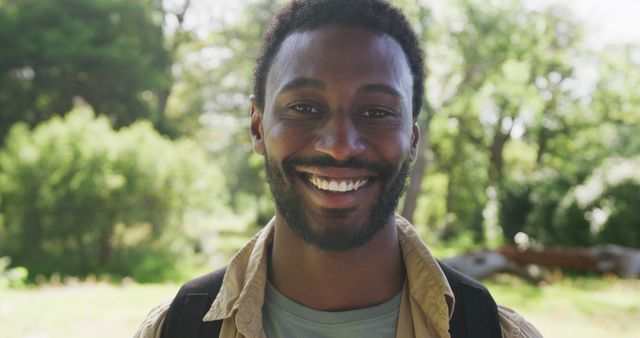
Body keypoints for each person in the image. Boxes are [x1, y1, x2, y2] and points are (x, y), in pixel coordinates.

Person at [135, 0, 543, 337]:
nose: (340, 147)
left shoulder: (495, 332)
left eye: (376, 111)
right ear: (258, 128)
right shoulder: (177, 329)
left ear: (413, 140)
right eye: (304, 108)